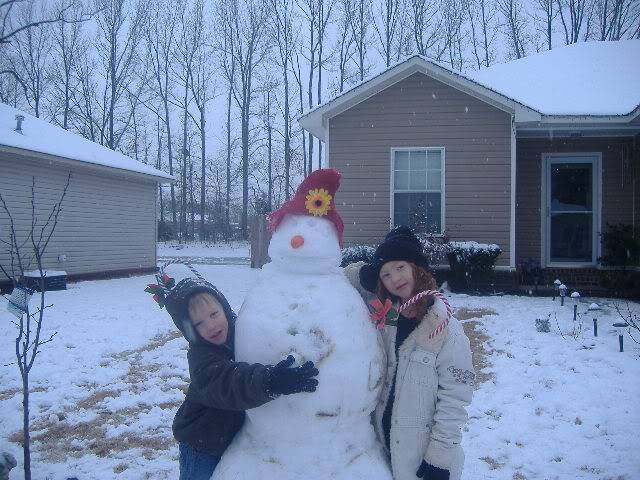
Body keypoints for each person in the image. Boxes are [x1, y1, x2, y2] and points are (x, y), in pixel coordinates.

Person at [344, 226, 474, 480]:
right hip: (381, 452)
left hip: (421, 461)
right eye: (386, 274)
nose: (395, 278)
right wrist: (365, 274)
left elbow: (455, 399)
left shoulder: (445, 328)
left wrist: (440, 459)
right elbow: (343, 275)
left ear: (417, 267)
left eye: (400, 267)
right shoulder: (387, 316)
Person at [160, 277, 319, 480]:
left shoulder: (241, 334)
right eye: (199, 323)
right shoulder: (202, 359)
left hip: (229, 437)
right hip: (202, 443)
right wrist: (270, 381)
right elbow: (230, 381)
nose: (211, 325)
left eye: (214, 314)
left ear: (225, 308)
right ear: (190, 331)